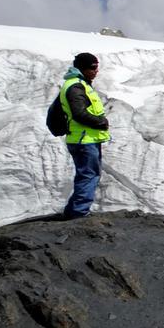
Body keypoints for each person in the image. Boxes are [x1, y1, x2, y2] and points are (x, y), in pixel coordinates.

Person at [59, 53, 110, 219]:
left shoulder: (80, 84)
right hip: (83, 139)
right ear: (83, 68)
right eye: (93, 67)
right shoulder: (76, 87)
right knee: (88, 175)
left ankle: (73, 211)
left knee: (87, 175)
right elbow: (79, 114)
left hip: (86, 139)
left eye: (97, 66)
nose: (96, 71)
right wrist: (101, 122)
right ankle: (79, 213)